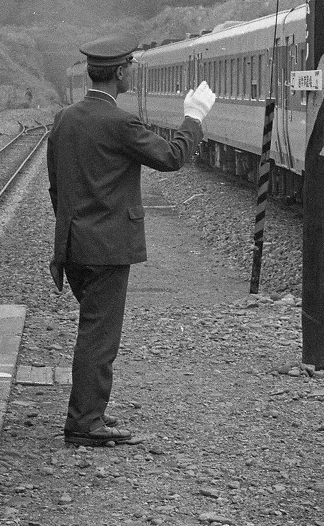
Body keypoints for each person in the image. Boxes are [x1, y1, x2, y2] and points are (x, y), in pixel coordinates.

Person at [47, 33, 216, 447]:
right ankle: (85, 422)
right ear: (120, 73)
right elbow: (172, 157)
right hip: (106, 247)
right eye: (131, 67)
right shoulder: (120, 123)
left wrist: (71, 228)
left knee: (94, 329)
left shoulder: (64, 119)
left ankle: (89, 409)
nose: (133, 73)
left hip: (73, 244)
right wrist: (194, 117)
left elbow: (55, 186)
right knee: (99, 336)